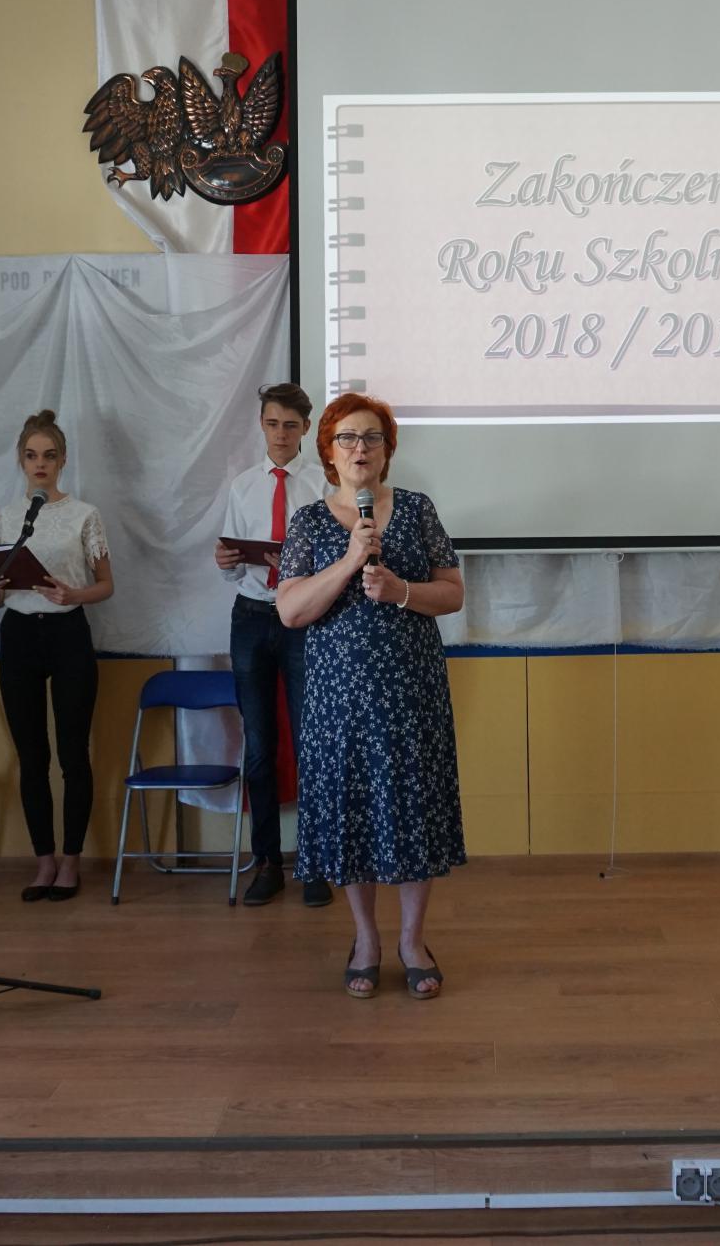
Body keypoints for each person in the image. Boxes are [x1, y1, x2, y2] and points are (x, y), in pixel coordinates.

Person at [272, 393, 466, 1000]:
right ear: (328, 452)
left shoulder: (416, 509)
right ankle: (365, 940)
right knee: (352, 814)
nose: (361, 448)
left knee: (411, 811)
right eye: (348, 439)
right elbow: (290, 611)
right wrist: (350, 560)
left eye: (373, 438)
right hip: (340, 699)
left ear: (387, 450)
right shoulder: (309, 522)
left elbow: (453, 593)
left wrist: (402, 590)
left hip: (411, 692)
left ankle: (412, 941)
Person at [0, 409, 114, 902]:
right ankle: (44, 861)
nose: (40, 463)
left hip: (68, 634)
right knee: (31, 755)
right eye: (31, 455)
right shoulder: (4, 519)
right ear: (20, 461)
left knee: (72, 754)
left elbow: (106, 585)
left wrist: (73, 595)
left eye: (49, 455)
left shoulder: (84, 515)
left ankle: (72, 862)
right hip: (18, 635)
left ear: (62, 461)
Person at [214, 382, 333, 909]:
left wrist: (299, 566)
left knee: (312, 743)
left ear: (306, 428)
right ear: (261, 426)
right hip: (251, 616)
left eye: (289, 425)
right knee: (259, 744)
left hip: (305, 618)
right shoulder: (243, 486)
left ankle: (315, 863)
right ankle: (266, 862)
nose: (280, 434)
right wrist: (226, 561)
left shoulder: (324, 485)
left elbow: (338, 561)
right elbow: (232, 563)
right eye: (271, 424)